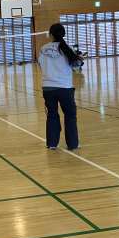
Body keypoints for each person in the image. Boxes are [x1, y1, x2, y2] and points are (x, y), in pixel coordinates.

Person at [38, 23, 81, 151]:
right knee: (70, 116)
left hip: (48, 88)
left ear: (50, 34)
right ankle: (73, 144)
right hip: (65, 88)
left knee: (52, 115)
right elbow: (76, 68)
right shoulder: (67, 49)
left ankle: (52, 143)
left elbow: (40, 65)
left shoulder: (43, 49)